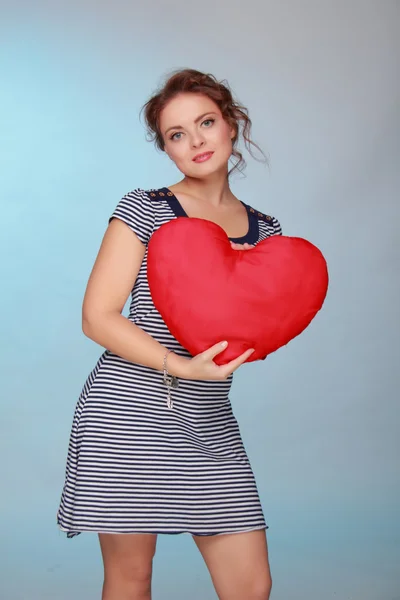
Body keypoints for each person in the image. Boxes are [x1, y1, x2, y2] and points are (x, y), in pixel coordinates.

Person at [57, 68, 282, 600]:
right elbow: (98, 317)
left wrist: (248, 290)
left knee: (250, 586)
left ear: (232, 125)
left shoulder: (267, 232)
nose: (196, 140)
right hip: (127, 414)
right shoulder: (146, 208)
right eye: (177, 134)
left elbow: (257, 332)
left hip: (208, 419)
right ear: (167, 149)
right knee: (132, 578)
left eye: (205, 122)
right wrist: (181, 365)